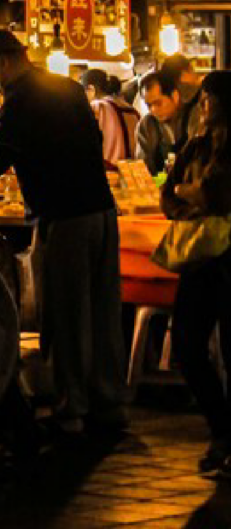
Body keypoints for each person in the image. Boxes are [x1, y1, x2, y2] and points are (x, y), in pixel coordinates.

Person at [0, 29, 126, 436]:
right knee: (103, 313)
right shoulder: (66, 88)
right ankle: (109, 404)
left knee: (66, 315)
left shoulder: (20, 100)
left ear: (6, 59)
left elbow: (1, 155)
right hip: (101, 213)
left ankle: (72, 409)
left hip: (64, 217)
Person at [160, 70, 231, 474]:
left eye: (209, 98)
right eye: (201, 98)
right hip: (200, 257)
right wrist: (193, 196)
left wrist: (198, 194)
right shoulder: (196, 143)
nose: (202, 104)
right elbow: (169, 194)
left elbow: (218, 194)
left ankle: (225, 439)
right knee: (186, 346)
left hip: (227, 260)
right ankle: (222, 427)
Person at [137, 64, 204, 175]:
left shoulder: (194, 116)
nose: (153, 110)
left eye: (158, 103)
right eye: (149, 105)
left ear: (175, 96)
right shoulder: (147, 125)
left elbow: (199, 159)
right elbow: (144, 166)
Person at [82, 69, 139, 168]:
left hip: (109, 171)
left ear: (91, 89)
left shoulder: (97, 106)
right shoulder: (131, 109)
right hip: (133, 171)